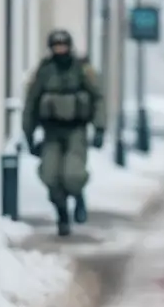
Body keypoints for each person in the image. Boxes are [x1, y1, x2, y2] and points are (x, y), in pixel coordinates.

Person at [22, 29, 106, 236]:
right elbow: (31, 103)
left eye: (63, 45)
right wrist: (29, 133)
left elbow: (98, 98)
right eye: (56, 46)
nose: (60, 49)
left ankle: (77, 196)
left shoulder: (82, 70)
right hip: (51, 131)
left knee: (72, 174)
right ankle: (62, 214)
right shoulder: (44, 71)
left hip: (76, 130)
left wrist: (99, 128)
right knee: (50, 175)